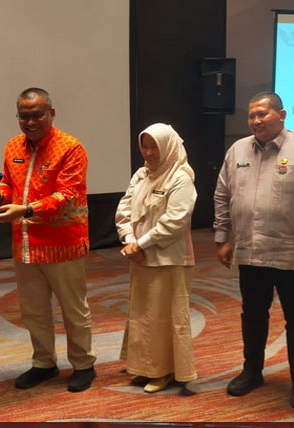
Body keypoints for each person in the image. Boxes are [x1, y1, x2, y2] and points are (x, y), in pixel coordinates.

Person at [213, 91, 294, 410]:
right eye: (251, 116)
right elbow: (222, 195)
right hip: (250, 251)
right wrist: (222, 237)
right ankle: (252, 372)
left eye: (263, 114)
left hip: (292, 253)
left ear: (281, 115)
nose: (256, 121)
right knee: (253, 315)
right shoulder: (237, 150)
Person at [0, 88, 96, 392]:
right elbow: (7, 184)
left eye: (37, 115)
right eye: (24, 116)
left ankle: (84, 365)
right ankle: (44, 363)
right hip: (25, 244)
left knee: (73, 309)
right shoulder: (13, 145)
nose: (30, 121)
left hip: (63, 244)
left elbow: (66, 196)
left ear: (51, 113)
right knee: (33, 310)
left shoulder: (70, 148)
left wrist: (24, 210)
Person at [115, 123, 197, 393]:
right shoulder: (141, 174)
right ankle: (144, 367)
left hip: (169, 260)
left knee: (165, 318)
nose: (148, 153)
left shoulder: (181, 178)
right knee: (142, 314)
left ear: (168, 148)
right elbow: (124, 210)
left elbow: (174, 222)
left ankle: (164, 372)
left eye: (155, 148)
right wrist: (130, 240)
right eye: (145, 146)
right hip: (140, 257)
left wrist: (140, 244)